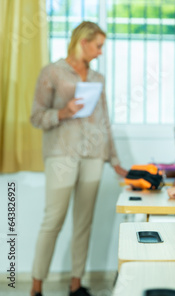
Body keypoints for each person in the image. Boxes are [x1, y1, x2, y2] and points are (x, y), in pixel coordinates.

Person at [30, 21, 127, 296]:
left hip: (94, 155)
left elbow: (104, 121)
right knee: (53, 220)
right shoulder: (52, 72)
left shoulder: (98, 78)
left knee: (84, 221)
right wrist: (63, 112)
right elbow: (36, 116)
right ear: (83, 42)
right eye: (98, 46)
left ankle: (76, 284)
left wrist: (114, 159)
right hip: (61, 152)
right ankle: (36, 287)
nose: (100, 52)